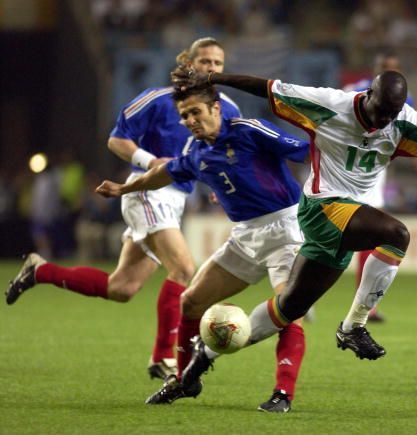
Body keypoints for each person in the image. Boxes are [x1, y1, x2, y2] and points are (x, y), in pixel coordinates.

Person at [169, 67, 417, 398]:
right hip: (322, 208)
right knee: (396, 234)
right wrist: (216, 78)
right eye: (381, 110)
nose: (385, 119)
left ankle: (200, 362)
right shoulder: (330, 104)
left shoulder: (405, 119)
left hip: (347, 222)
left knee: (287, 309)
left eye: (392, 113)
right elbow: (268, 88)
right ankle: (354, 327)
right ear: (368, 96)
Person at [5, 37, 241, 381]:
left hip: (176, 200)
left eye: (218, 63)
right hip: (147, 190)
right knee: (184, 268)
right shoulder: (157, 100)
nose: (212, 69)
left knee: (122, 288)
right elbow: (116, 139)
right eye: (205, 61)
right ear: (188, 63)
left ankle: (39, 271)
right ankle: (164, 358)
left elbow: (230, 154)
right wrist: (149, 162)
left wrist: (223, 185)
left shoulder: (228, 107)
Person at [96, 85, 309, 413]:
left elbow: (304, 149)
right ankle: (185, 380)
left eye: (196, 112)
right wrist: (125, 187)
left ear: (216, 109)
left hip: (287, 229)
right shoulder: (196, 152)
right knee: (191, 301)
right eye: (184, 115)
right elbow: (160, 174)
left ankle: (283, 393)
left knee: (287, 308)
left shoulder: (247, 129)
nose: (190, 120)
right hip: (246, 235)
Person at [343, 51, 414, 323]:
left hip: (374, 173)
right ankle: (296, 288)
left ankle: (366, 305)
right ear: (375, 70)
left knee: (372, 238)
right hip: (347, 170)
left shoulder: (405, 98)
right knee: (324, 234)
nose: (391, 72)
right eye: (385, 67)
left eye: (395, 68)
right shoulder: (354, 91)